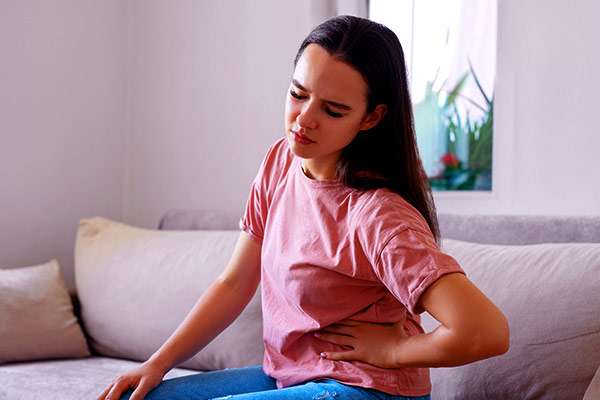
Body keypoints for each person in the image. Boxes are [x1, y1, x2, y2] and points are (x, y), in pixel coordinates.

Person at [98, 15, 510, 400]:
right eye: (298, 94)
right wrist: (158, 363)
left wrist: (394, 351)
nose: (304, 120)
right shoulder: (281, 163)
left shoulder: (380, 217)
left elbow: (486, 331)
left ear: (371, 118)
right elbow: (234, 283)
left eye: (333, 110)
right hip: (292, 376)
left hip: (366, 389)